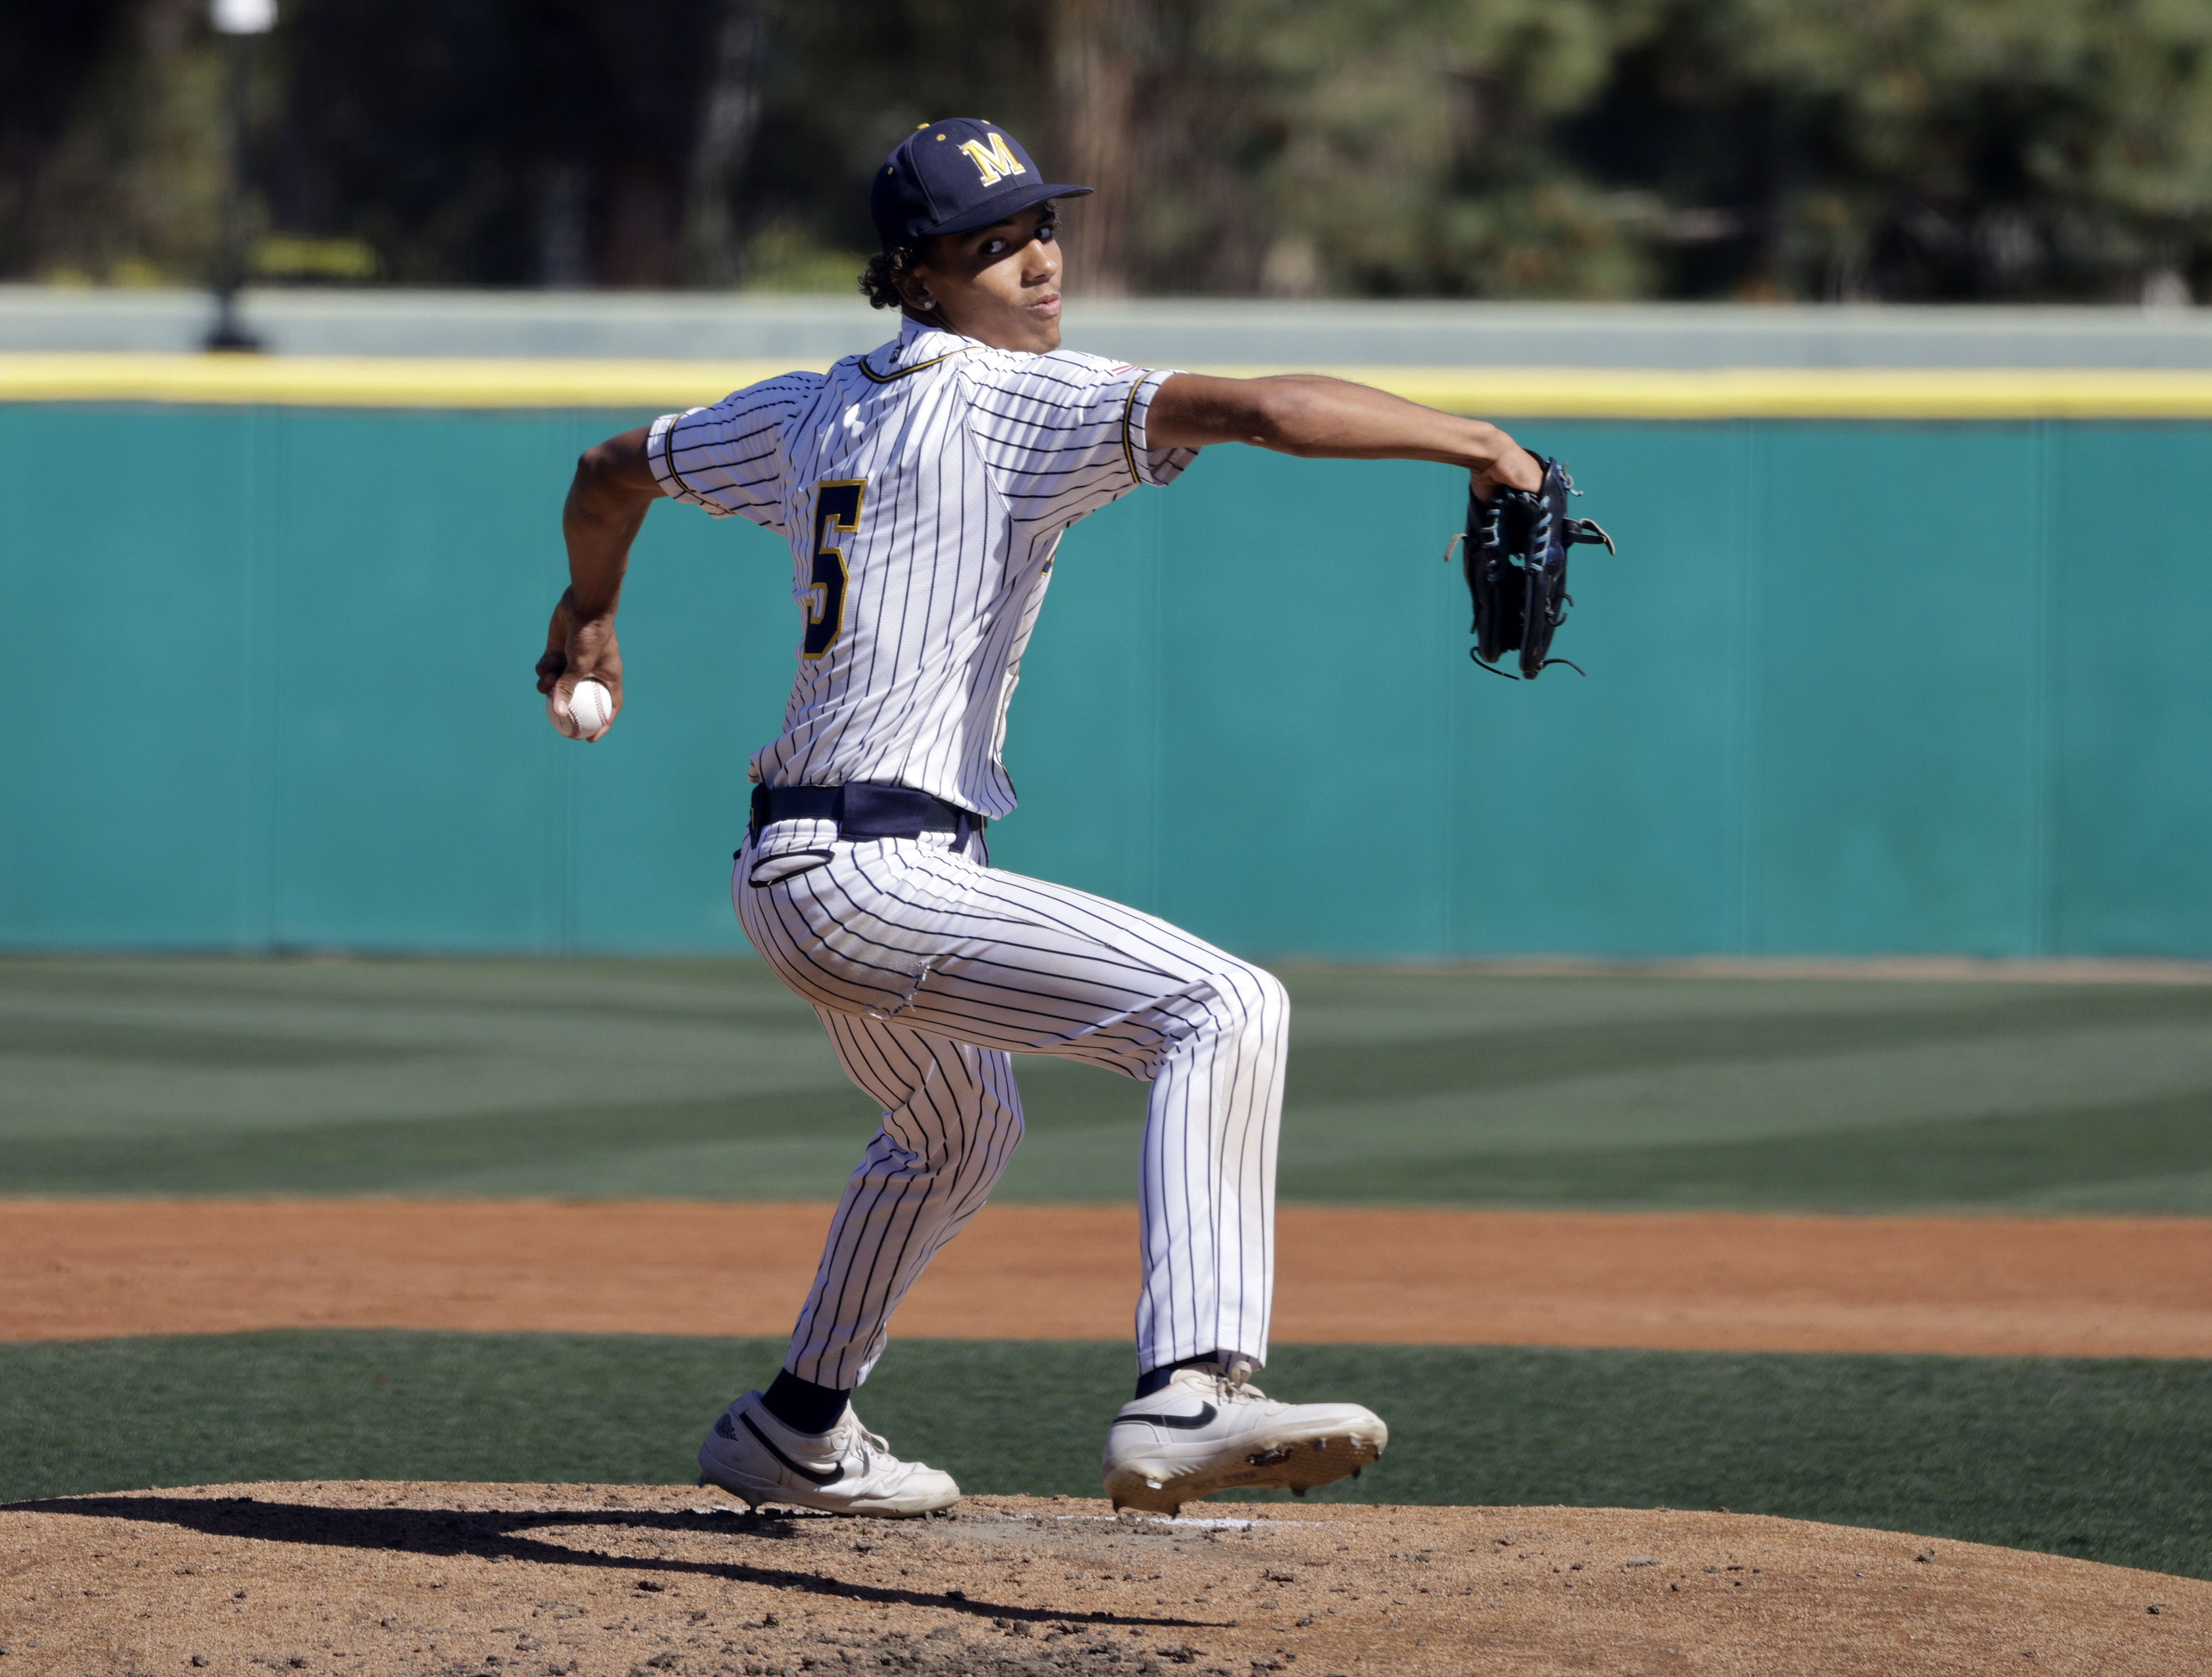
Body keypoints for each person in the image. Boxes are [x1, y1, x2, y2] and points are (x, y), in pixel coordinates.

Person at [538, 118, 1544, 1519]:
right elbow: (1262, 410)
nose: (1035, 261)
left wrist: (589, 609)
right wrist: (1482, 444)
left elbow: (608, 468)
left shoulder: (807, 407)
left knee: (955, 1130)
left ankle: (796, 1421)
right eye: (989, 243)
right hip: (877, 872)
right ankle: (1196, 1384)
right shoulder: (1021, 400)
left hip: (795, 868)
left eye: (1040, 226)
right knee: (1225, 1008)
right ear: (917, 272)